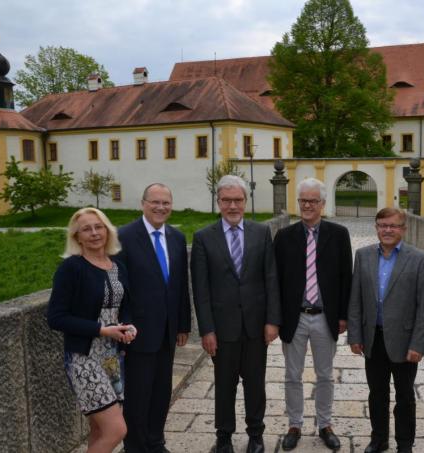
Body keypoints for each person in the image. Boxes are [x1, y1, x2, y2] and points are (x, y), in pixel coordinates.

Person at [191, 175, 281, 453]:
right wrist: (207, 329)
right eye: (227, 200)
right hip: (222, 327)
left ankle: (256, 434)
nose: (233, 206)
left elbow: (271, 278)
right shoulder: (203, 238)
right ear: (218, 202)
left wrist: (272, 320)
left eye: (238, 200)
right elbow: (201, 289)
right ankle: (224, 436)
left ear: (245, 201)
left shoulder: (261, 233)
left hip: (256, 326)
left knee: (255, 384)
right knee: (225, 385)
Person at [47, 207, 137, 453]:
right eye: (86, 229)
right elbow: (55, 317)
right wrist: (101, 329)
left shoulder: (117, 266)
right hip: (83, 358)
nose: (94, 233)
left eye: (99, 227)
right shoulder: (71, 268)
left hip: (111, 357)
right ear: (77, 237)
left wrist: (128, 327)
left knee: (98, 430)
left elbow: (125, 307)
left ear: (108, 231)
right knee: (116, 430)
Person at [348, 207, 424, 453]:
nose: (387, 230)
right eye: (382, 225)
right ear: (376, 228)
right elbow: (355, 299)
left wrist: (418, 344)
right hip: (372, 338)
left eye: (393, 226)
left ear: (403, 229)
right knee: (377, 394)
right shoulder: (363, 256)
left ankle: (404, 443)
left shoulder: (419, 259)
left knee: (405, 396)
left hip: (405, 341)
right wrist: (355, 335)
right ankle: (379, 439)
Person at [273, 178, 352, 451]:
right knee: (292, 375)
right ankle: (294, 424)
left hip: (324, 317)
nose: (307, 205)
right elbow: (275, 281)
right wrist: (275, 317)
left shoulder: (339, 234)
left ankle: (325, 424)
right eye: (303, 200)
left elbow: (345, 278)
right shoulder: (284, 237)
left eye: (313, 201)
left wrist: (343, 316)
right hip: (294, 317)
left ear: (322, 204)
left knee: (325, 375)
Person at [117, 183, 191, 453]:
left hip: (168, 332)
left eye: (166, 203)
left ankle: (155, 442)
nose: (161, 207)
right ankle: (135, 447)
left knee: (161, 392)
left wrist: (183, 324)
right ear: (143, 203)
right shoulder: (124, 236)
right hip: (137, 333)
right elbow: (119, 289)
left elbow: (181, 286)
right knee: (138, 395)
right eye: (155, 202)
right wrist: (123, 328)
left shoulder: (176, 237)